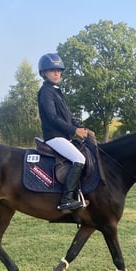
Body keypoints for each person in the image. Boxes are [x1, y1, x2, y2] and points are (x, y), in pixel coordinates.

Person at [37, 52, 94, 210]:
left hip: (63, 136)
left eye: (59, 71)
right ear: (43, 73)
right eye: (52, 70)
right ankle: (66, 200)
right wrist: (74, 130)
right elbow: (52, 117)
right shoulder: (46, 92)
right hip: (54, 137)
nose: (57, 73)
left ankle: (79, 193)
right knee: (79, 159)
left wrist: (81, 128)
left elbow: (68, 116)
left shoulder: (57, 91)